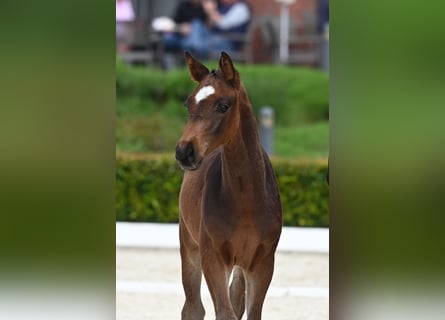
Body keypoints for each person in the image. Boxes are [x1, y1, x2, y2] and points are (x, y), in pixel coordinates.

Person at [183, 0, 251, 59]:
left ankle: (190, 47)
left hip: (229, 43)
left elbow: (224, 24)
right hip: (216, 39)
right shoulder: (225, 7)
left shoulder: (241, 8)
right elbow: (210, 27)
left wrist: (211, 10)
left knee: (194, 42)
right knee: (196, 23)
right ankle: (193, 46)